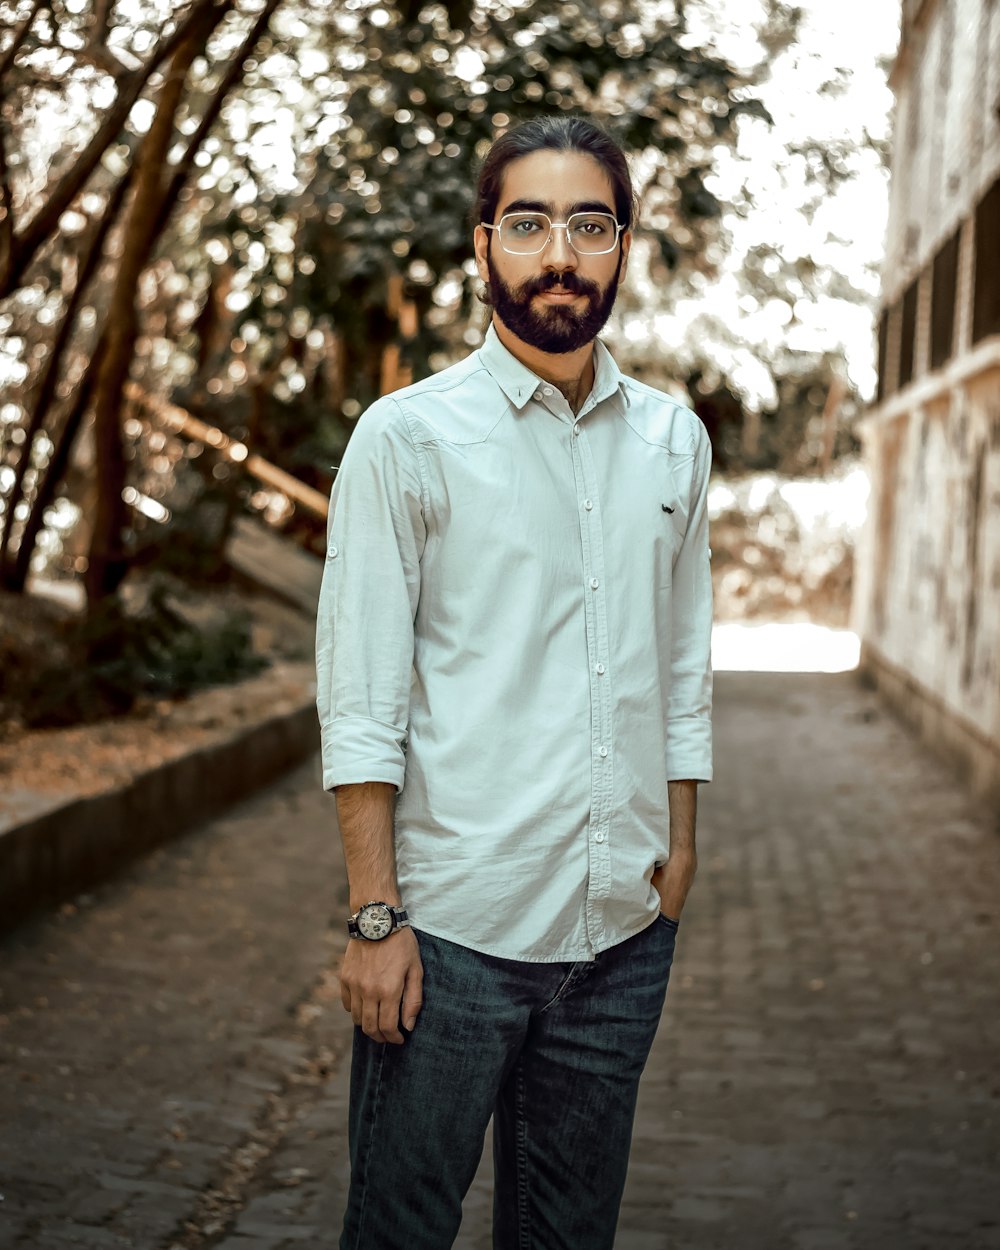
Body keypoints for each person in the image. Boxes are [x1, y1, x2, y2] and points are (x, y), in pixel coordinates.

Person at [315, 115, 713, 1250]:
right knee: (400, 1229)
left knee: (567, 1235)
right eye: (528, 222)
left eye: (588, 224)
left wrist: (678, 850)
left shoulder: (673, 441)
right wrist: (375, 913)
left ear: (622, 247)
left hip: (623, 933)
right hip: (451, 937)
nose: (558, 252)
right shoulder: (407, 439)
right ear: (483, 244)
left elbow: (681, 654)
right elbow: (362, 692)